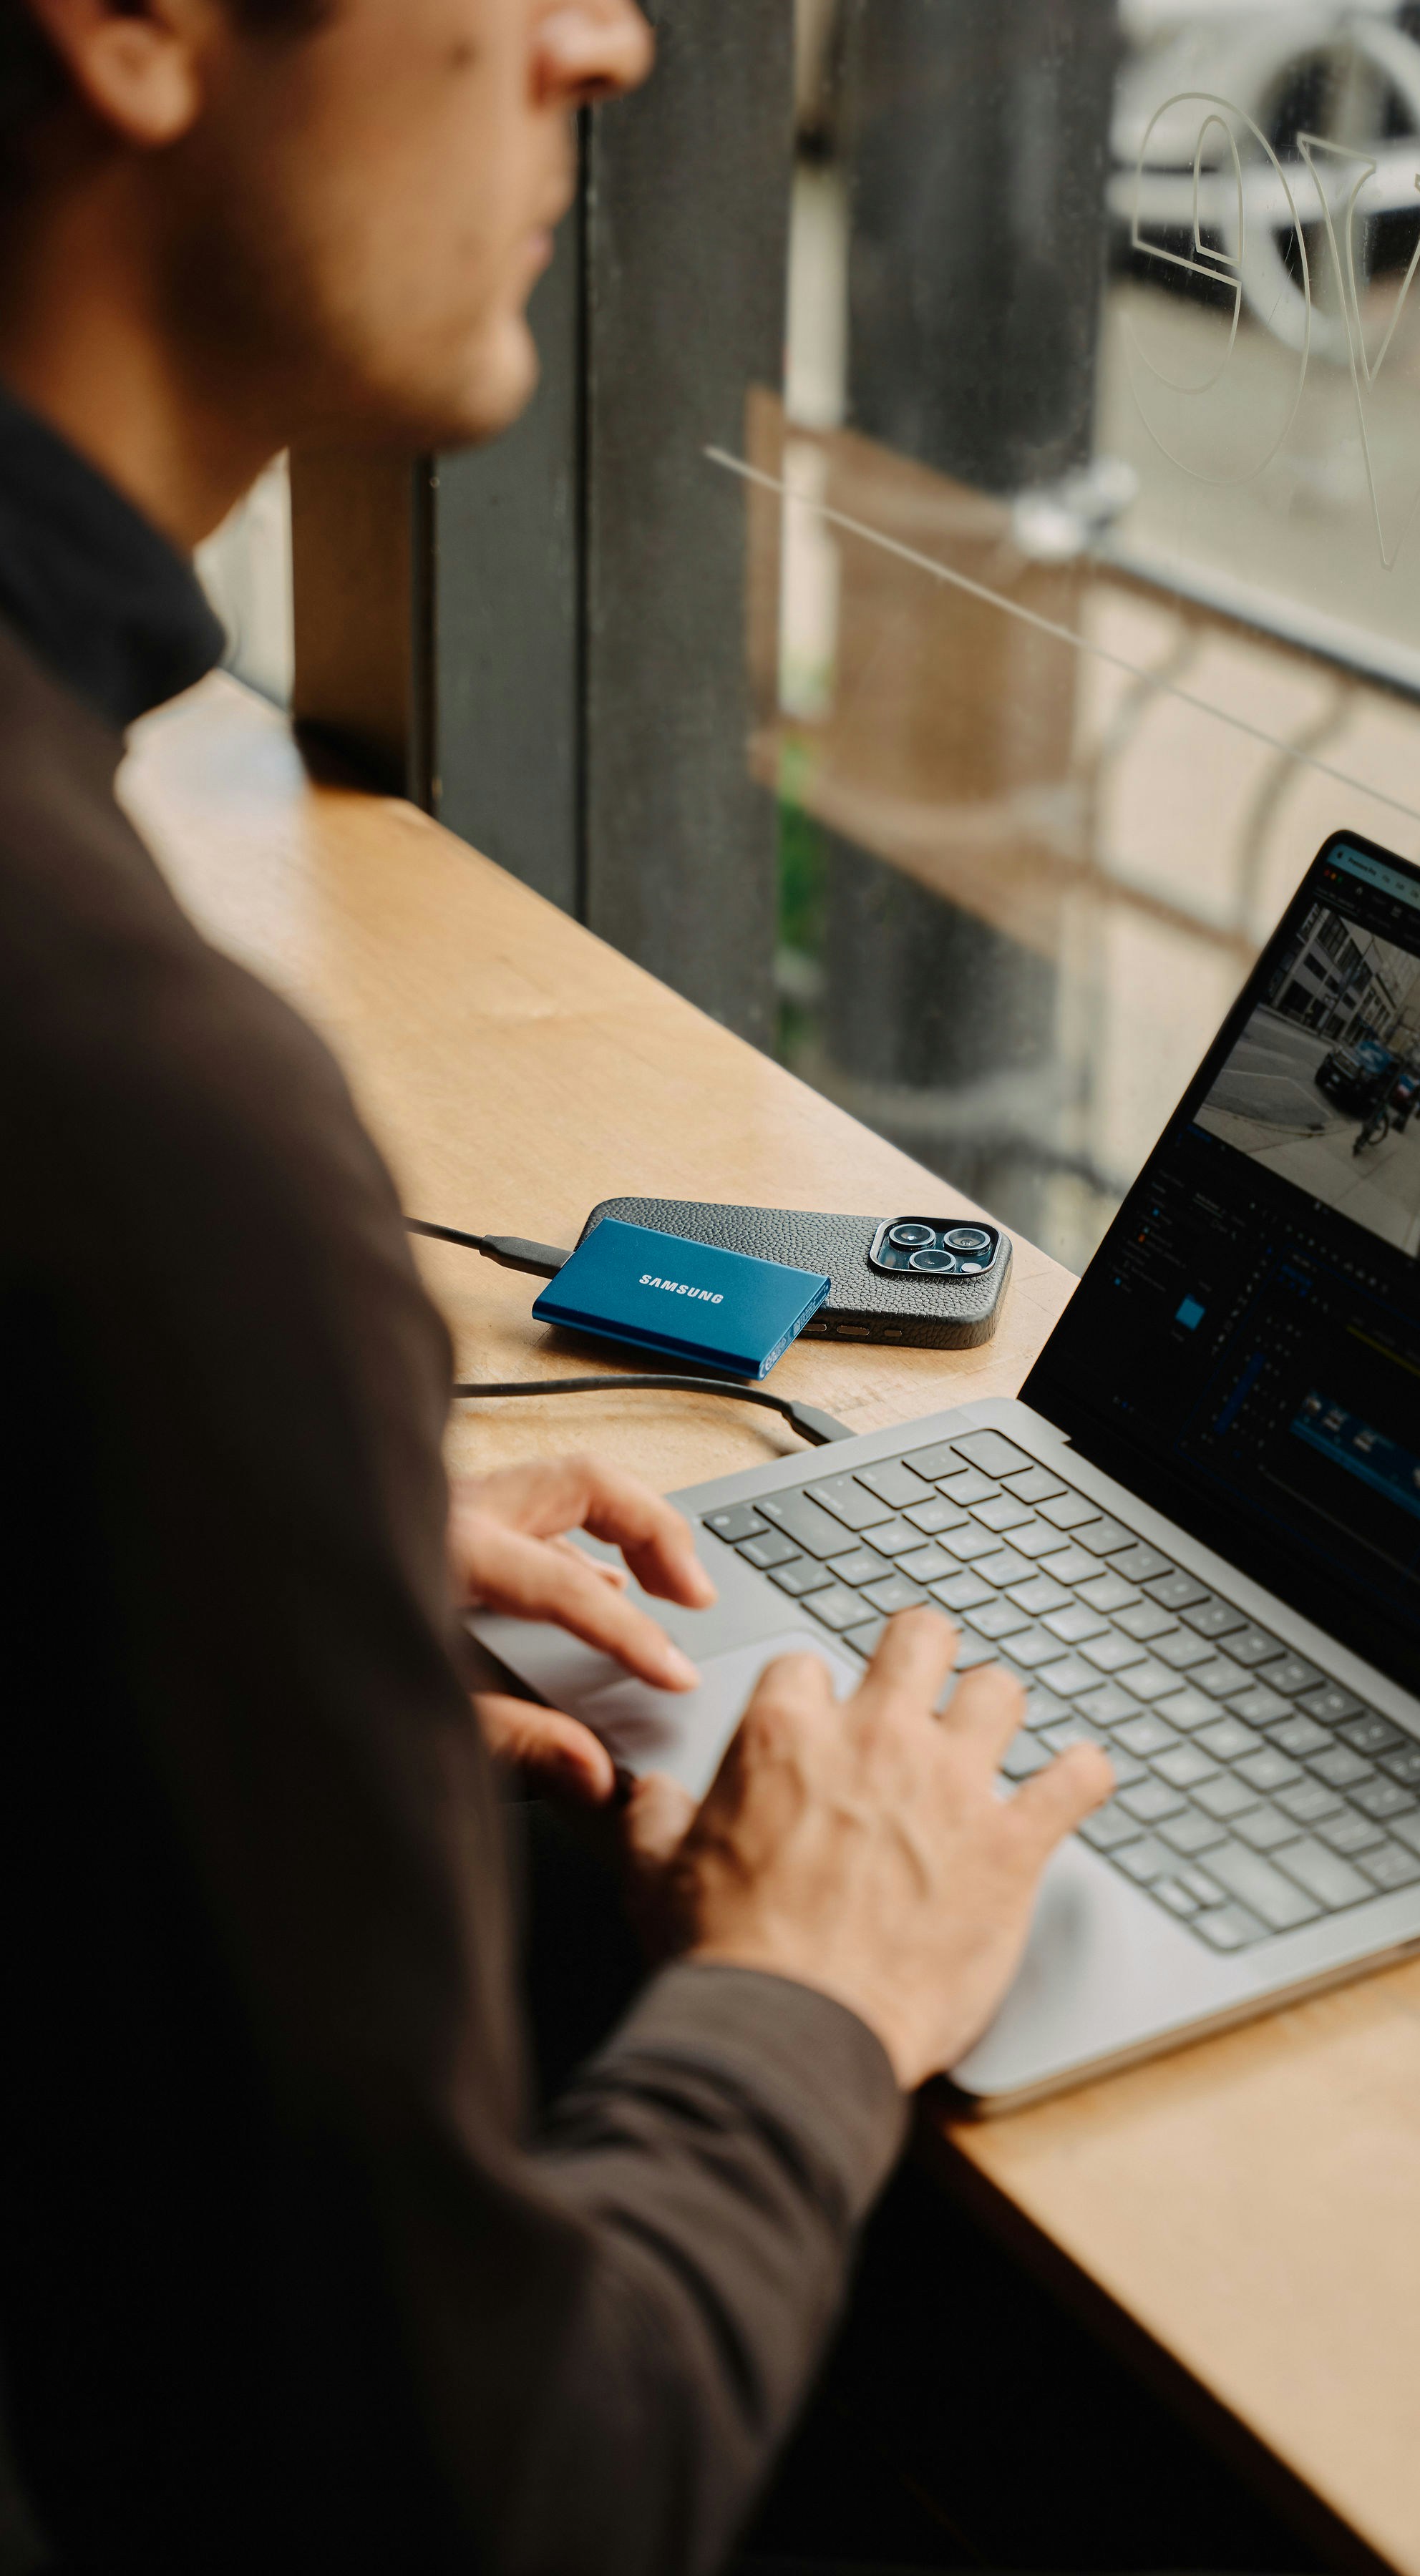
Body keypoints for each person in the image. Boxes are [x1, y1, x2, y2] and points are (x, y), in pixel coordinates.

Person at [0, 4, 1112, 2570]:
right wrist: (809, 1993)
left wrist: (225, 1566)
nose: (615, 46)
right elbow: (479, 2502)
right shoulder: (138, 1127)